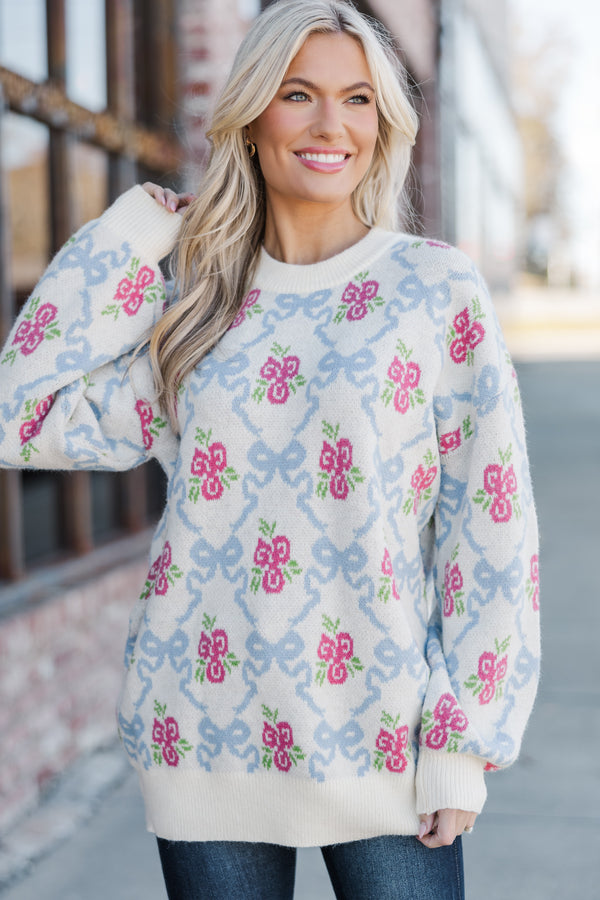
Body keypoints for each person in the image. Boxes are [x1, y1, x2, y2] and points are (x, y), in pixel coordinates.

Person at [0, 1, 540, 897]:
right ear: (252, 115)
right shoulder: (198, 308)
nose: (333, 125)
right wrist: (138, 233)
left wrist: (465, 737)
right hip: (203, 732)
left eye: (359, 99)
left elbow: (491, 530)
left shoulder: (432, 288)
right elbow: (20, 412)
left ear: (384, 122)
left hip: (386, 744)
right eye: (299, 94)